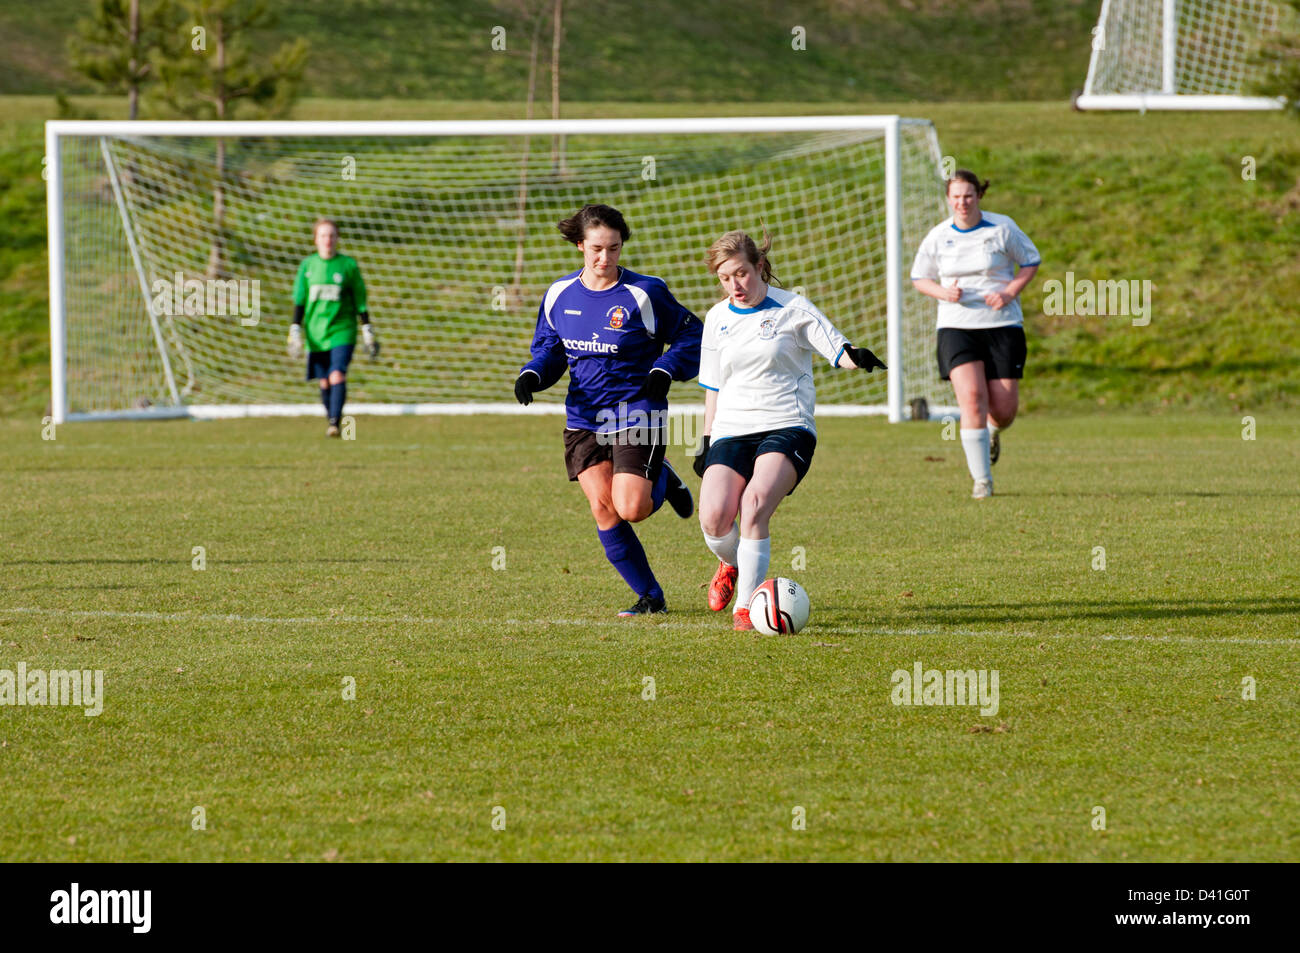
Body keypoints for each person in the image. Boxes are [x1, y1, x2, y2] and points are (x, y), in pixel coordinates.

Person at [693, 230, 886, 631]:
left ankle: (745, 608)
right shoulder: (716, 318)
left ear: (759, 266)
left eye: (742, 274)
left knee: (755, 503)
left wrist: (856, 358)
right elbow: (712, 386)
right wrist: (706, 440)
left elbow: (836, 347)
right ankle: (732, 562)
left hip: (787, 424)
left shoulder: (793, 308)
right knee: (713, 518)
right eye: (725, 278)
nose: (735, 285)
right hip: (731, 428)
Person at [515, 203, 701, 617]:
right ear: (580, 245)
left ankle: (661, 477)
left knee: (632, 508)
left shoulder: (645, 293)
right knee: (603, 507)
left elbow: (693, 337)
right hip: (584, 416)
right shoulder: (559, 295)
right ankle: (651, 597)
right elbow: (550, 349)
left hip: (636, 411)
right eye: (597, 248)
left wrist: (664, 369)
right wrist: (532, 374)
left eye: (614, 249)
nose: (605, 258)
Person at [910, 170, 1040, 498]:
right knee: (971, 399)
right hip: (956, 328)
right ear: (948, 199)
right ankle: (982, 481)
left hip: (1002, 325)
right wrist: (943, 293)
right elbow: (919, 278)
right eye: (955, 197)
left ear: (979, 196)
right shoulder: (938, 236)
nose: (962, 202)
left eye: (968, 195)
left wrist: (1009, 292)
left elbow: (1031, 261)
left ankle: (994, 433)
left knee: (1005, 409)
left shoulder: (1002, 228)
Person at [287, 219, 379, 437]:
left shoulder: (347, 265)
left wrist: (366, 328)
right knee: (324, 380)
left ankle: (335, 423)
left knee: (337, 374)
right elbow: (300, 300)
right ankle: (332, 417)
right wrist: (295, 329)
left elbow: (360, 299)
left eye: (331, 235)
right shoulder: (308, 266)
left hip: (342, 330)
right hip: (316, 333)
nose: (327, 240)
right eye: (323, 236)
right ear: (315, 239)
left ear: (337, 239)